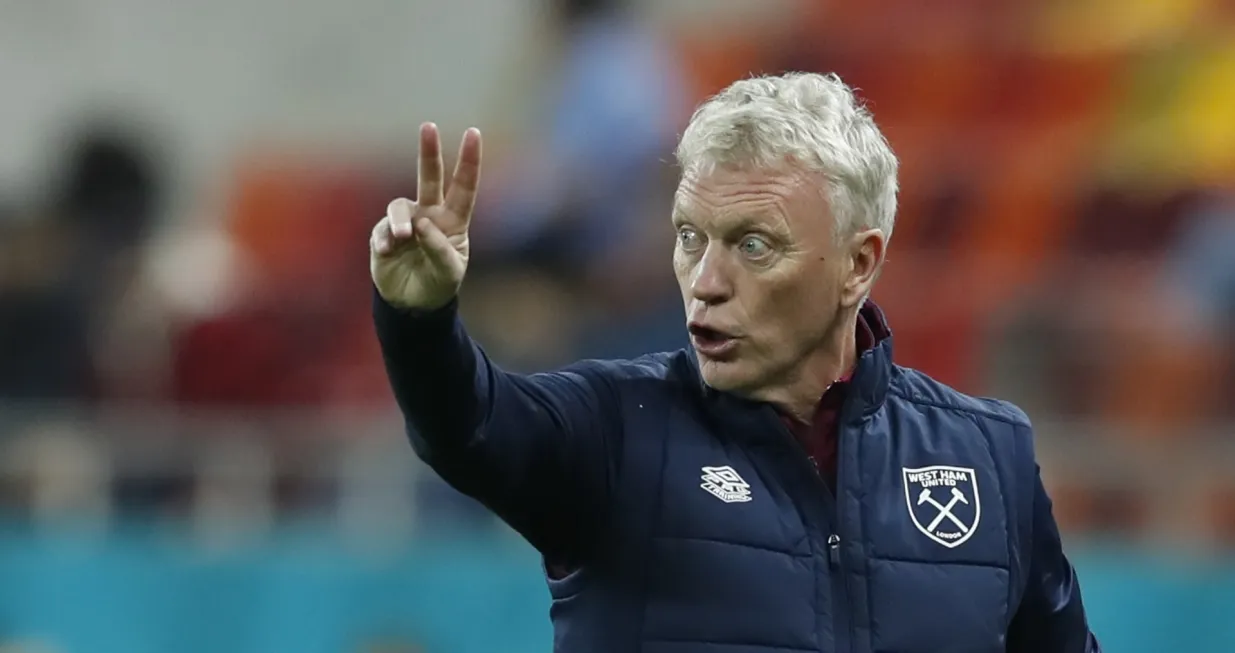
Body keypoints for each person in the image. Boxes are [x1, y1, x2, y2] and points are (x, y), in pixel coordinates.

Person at [370, 73, 1102, 653]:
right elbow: (464, 424)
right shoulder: (617, 427)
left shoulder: (986, 456)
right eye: (691, 237)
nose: (706, 280)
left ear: (857, 263)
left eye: (753, 245)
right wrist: (419, 318)